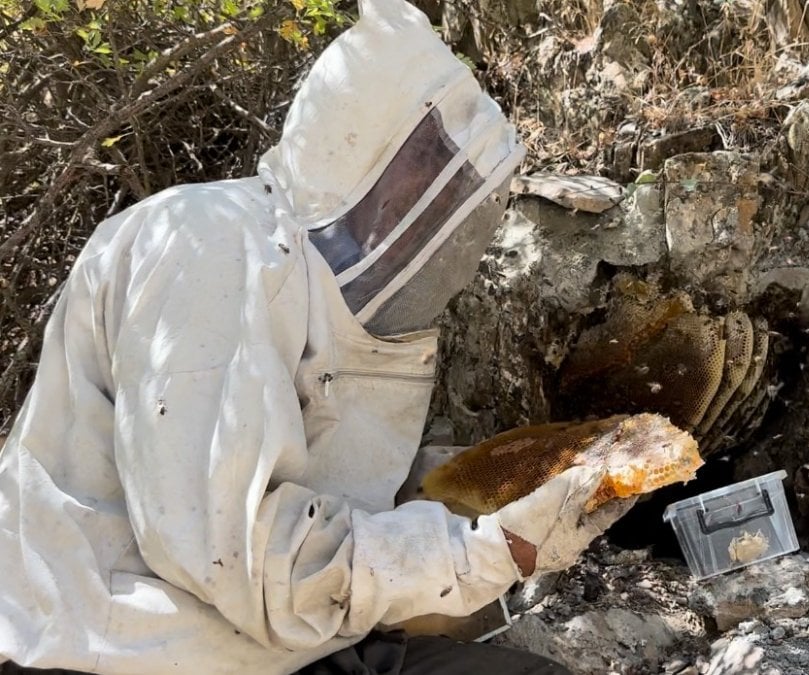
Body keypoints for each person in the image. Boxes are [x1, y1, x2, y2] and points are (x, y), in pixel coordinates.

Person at [0, 1, 632, 673]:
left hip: (282, 643)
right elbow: (247, 563)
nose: (438, 208)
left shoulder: (307, 279)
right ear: (366, 146)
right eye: (428, 164)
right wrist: (496, 550)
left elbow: (329, 489)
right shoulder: (206, 249)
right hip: (121, 649)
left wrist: (479, 486)